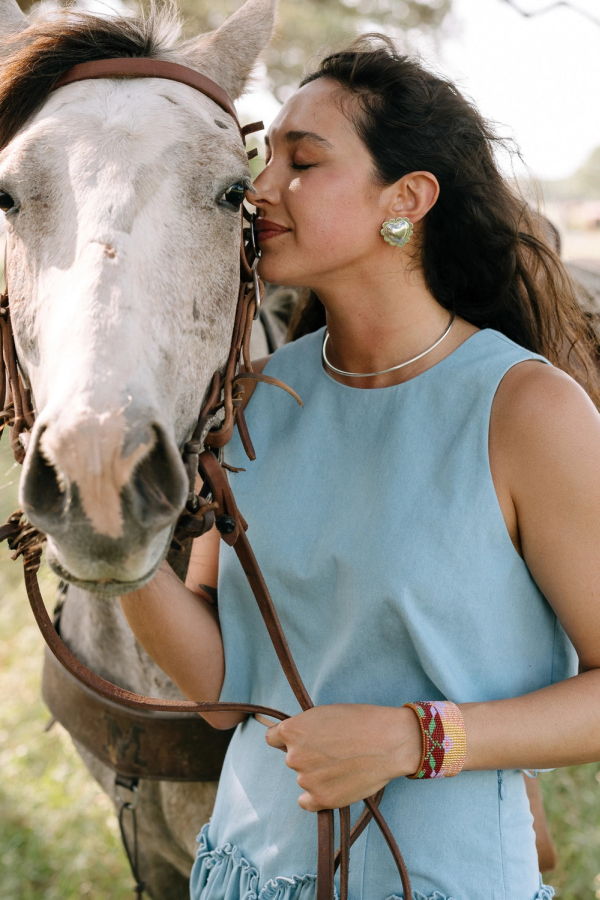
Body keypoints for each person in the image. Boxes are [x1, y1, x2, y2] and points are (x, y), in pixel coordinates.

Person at [121, 35, 600, 900]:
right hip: (243, 873)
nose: (260, 189)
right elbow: (225, 693)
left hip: (444, 881)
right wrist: (115, 551)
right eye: (265, 159)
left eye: (303, 162)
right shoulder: (249, 401)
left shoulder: (528, 411)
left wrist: (415, 739)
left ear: (407, 199)